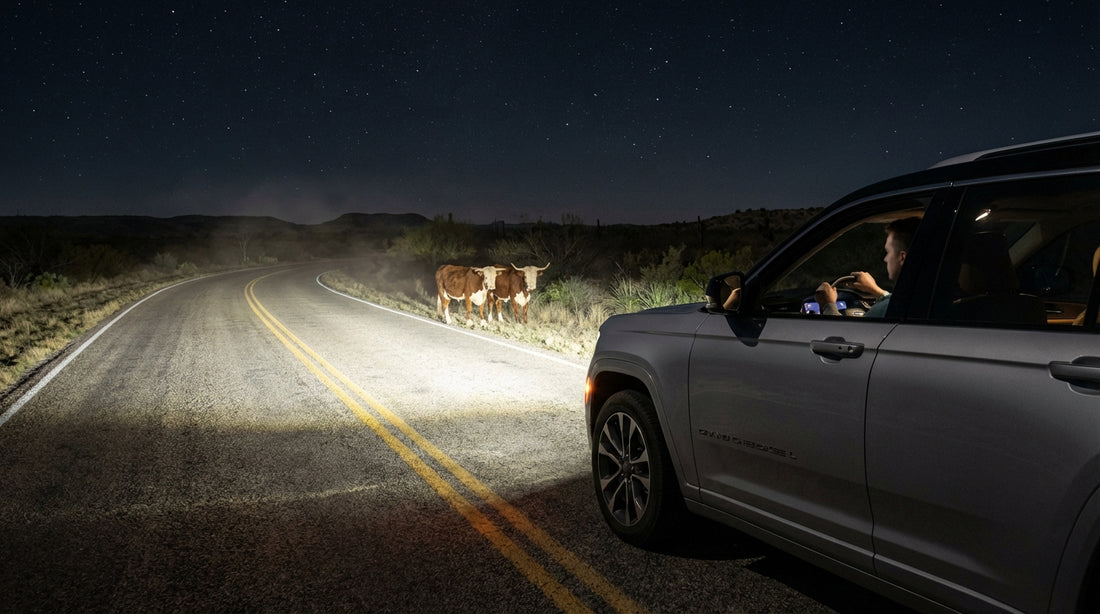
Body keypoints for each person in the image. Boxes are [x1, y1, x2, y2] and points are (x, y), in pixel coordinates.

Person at [815, 217, 920, 318]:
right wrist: (876, 291)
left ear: (902, 257)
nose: (885, 259)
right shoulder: (922, 297)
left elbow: (846, 335)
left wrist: (828, 305)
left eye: (888, 252)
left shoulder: (885, 310)